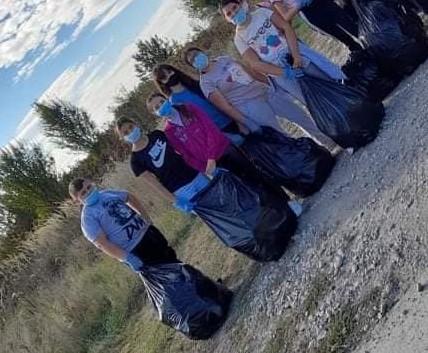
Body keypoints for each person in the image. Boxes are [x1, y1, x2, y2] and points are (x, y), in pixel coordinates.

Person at [117, 117, 299, 261]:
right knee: (223, 218)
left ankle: (269, 232)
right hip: (182, 191)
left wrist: (205, 165)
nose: (130, 132)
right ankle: (259, 246)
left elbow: (183, 150)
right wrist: (177, 202)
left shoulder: (157, 135)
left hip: (197, 175)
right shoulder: (136, 161)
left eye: (130, 127)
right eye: (125, 132)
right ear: (122, 138)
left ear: (135, 124)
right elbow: (155, 185)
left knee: (231, 204)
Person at [220, 0, 350, 153]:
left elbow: (286, 28)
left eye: (234, 8)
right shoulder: (239, 39)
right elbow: (255, 63)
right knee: (311, 101)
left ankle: (352, 111)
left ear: (241, 5)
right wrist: (285, 73)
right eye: (229, 14)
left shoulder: (262, 13)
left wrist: (296, 55)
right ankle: (341, 132)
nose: (234, 13)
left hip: (296, 55)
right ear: (227, 19)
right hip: (281, 74)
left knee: (328, 81)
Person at [143, 93, 293, 202]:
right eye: (157, 107)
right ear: (155, 114)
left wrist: (211, 157)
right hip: (213, 166)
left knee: (255, 173)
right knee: (246, 185)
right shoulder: (169, 131)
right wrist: (205, 168)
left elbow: (211, 129)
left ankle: (286, 200)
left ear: (166, 99)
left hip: (225, 150)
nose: (161, 106)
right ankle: (277, 207)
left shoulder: (188, 108)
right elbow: (186, 155)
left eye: (161, 101)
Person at [182, 45, 326, 137]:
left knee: (299, 115)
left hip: (265, 91)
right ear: (193, 66)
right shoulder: (206, 83)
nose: (197, 59)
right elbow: (225, 107)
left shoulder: (224, 59)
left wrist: (270, 85)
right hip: (250, 105)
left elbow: (249, 71)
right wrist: (244, 121)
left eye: (197, 54)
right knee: (279, 134)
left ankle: (326, 140)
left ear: (202, 52)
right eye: (193, 60)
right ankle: (309, 159)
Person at [69, 178, 177, 272]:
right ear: (77, 201)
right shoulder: (88, 217)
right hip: (135, 249)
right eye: (83, 193)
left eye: (89, 187)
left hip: (149, 233)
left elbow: (130, 197)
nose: (89, 192)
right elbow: (102, 244)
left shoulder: (107, 194)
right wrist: (127, 257)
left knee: (174, 262)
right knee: (166, 278)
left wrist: (145, 218)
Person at [152, 63, 241, 136]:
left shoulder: (195, 83)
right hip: (219, 133)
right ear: (161, 83)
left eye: (169, 72)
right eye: (164, 77)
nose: (169, 76)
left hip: (232, 117)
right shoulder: (174, 102)